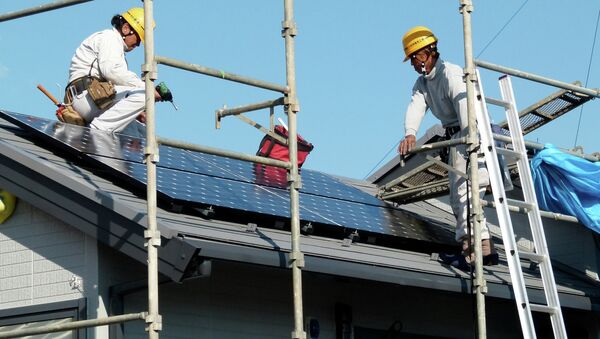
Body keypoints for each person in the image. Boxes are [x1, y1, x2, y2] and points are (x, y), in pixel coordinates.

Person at [397, 26, 498, 269]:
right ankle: (481, 248)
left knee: (467, 195)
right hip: (458, 140)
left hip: (472, 136)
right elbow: (416, 106)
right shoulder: (423, 83)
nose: (412, 64)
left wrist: (469, 142)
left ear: (425, 54)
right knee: (459, 197)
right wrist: (410, 134)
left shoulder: (452, 75)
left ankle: (474, 252)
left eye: (413, 58)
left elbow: (467, 112)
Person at [64, 7, 172, 133]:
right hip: (86, 97)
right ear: (126, 28)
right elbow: (111, 71)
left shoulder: (117, 49)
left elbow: (114, 83)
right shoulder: (110, 38)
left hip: (98, 98)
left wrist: (135, 111)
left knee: (140, 132)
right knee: (145, 95)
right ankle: (96, 131)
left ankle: (101, 140)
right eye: (138, 38)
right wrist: (148, 87)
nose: (138, 45)